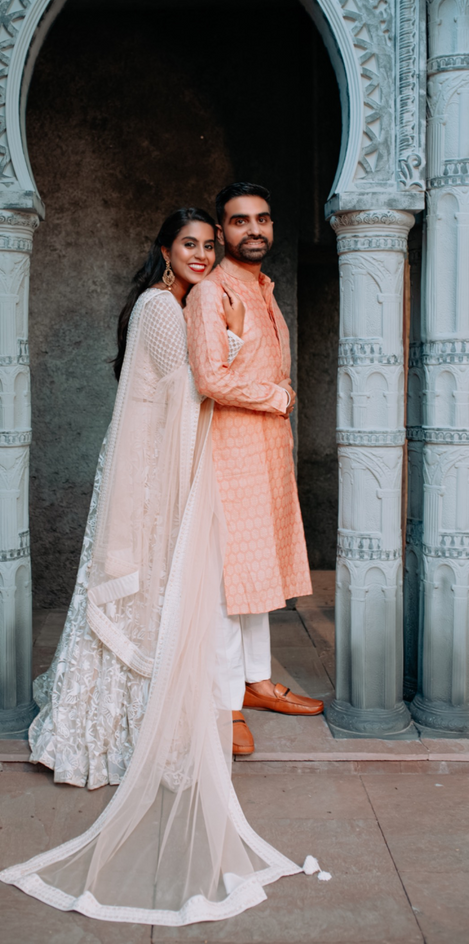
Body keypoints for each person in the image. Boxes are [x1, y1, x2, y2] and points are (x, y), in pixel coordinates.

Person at [0, 207, 316, 923]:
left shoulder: (166, 304)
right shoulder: (162, 310)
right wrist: (241, 360)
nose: (202, 255)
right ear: (165, 251)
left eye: (208, 245)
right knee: (145, 594)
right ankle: (109, 733)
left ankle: (125, 721)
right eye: (191, 244)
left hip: (154, 469)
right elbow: (191, 394)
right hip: (152, 477)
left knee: (154, 596)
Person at [185, 182, 324, 758]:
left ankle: (257, 682)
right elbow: (210, 378)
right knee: (226, 582)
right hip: (228, 454)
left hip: (266, 454)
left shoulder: (262, 288)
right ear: (222, 232)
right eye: (241, 221)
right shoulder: (210, 295)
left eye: (263, 219)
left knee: (257, 575)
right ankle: (226, 703)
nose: (255, 230)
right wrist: (279, 397)